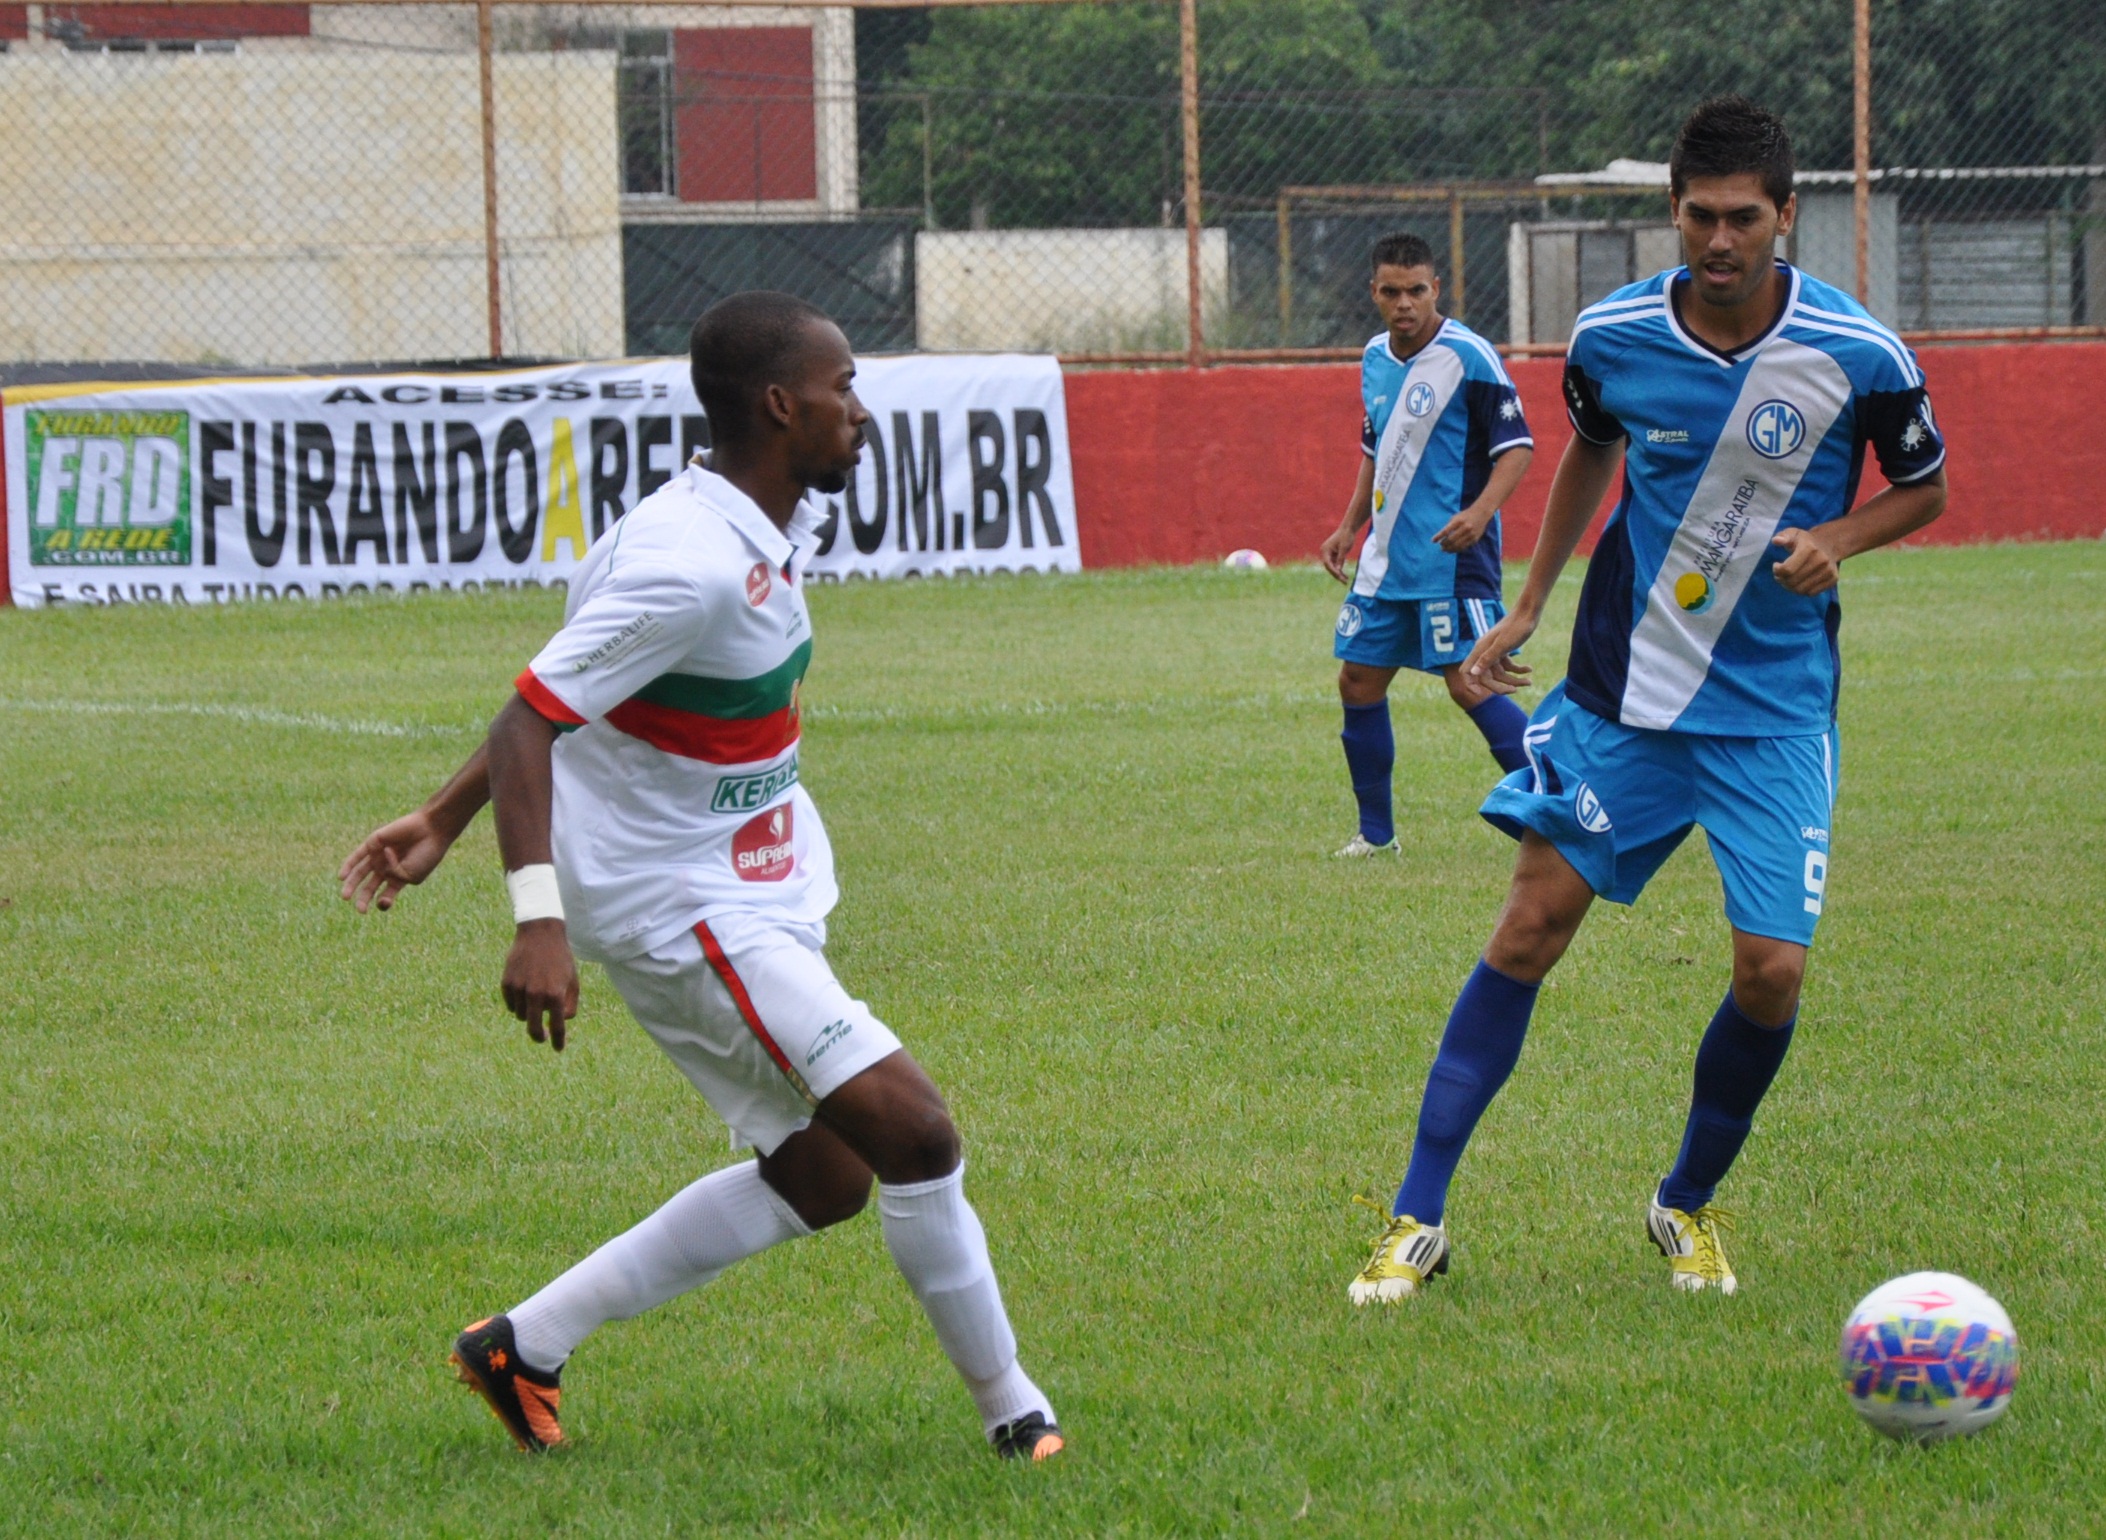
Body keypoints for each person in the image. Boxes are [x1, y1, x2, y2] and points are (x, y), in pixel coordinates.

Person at [338, 292, 1063, 1459]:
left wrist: (439, 814)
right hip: (683, 905)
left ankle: (523, 1344)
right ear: (781, 405)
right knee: (917, 1133)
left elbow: (577, 694)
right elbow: (529, 719)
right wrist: (536, 918)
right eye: (842, 389)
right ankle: (1017, 1416)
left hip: (748, 880)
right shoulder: (690, 566)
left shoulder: (739, 521)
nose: (860, 411)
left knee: (824, 1174)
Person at [1348, 96, 1947, 1303]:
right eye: (1699, 217)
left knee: (1771, 973)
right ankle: (1417, 1216)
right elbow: (1590, 447)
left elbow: (1925, 485)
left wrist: (1839, 536)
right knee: (1528, 926)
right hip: (1629, 694)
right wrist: (1529, 602)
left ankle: (1684, 1202)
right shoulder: (1613, 335)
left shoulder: (1861, 352)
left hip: (1775, 709)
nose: (1720, 240)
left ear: (1786, 215)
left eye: (1743, 219)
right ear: (1673, 212)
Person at [1320, 232, 1536, 858]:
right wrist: (1348, 526)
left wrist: (1480, 512)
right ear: (1374, 293)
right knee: (1358, 682)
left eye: (1417, 290)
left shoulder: (1470, 357)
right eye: (1391, 292)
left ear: (1436, 288)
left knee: (1471, 683)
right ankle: (1376, 837)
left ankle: (1562, 813)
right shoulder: (1373, 357)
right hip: (1386, 562)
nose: (1405, 304)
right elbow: (1376, 448)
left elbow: (1517, 448)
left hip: (1451, 562)